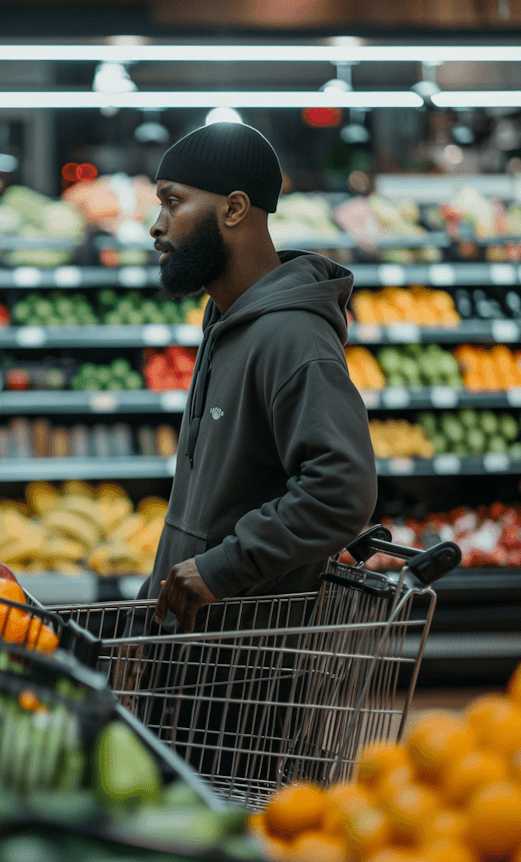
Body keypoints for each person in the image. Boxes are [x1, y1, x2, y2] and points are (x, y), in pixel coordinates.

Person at [138, 121, 378, 631]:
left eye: (173, 202)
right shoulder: (225, 323)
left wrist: (222, 568)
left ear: (234, 208)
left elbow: (341, 491)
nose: (157, 226)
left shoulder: (293, 337)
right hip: (197, 649)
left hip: (250, 668)